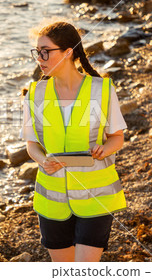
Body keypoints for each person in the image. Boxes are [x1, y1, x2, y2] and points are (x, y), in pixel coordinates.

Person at [20, 20, 128, 262]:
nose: (40, 58)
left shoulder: (103, 89)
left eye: (45, 51)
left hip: (97, 197)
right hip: (52, 202)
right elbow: (31, 144)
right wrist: (42, 160)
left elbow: (117, 138)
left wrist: (104, 149)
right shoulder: (35, 93)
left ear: (68, 52)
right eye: (37, 52)